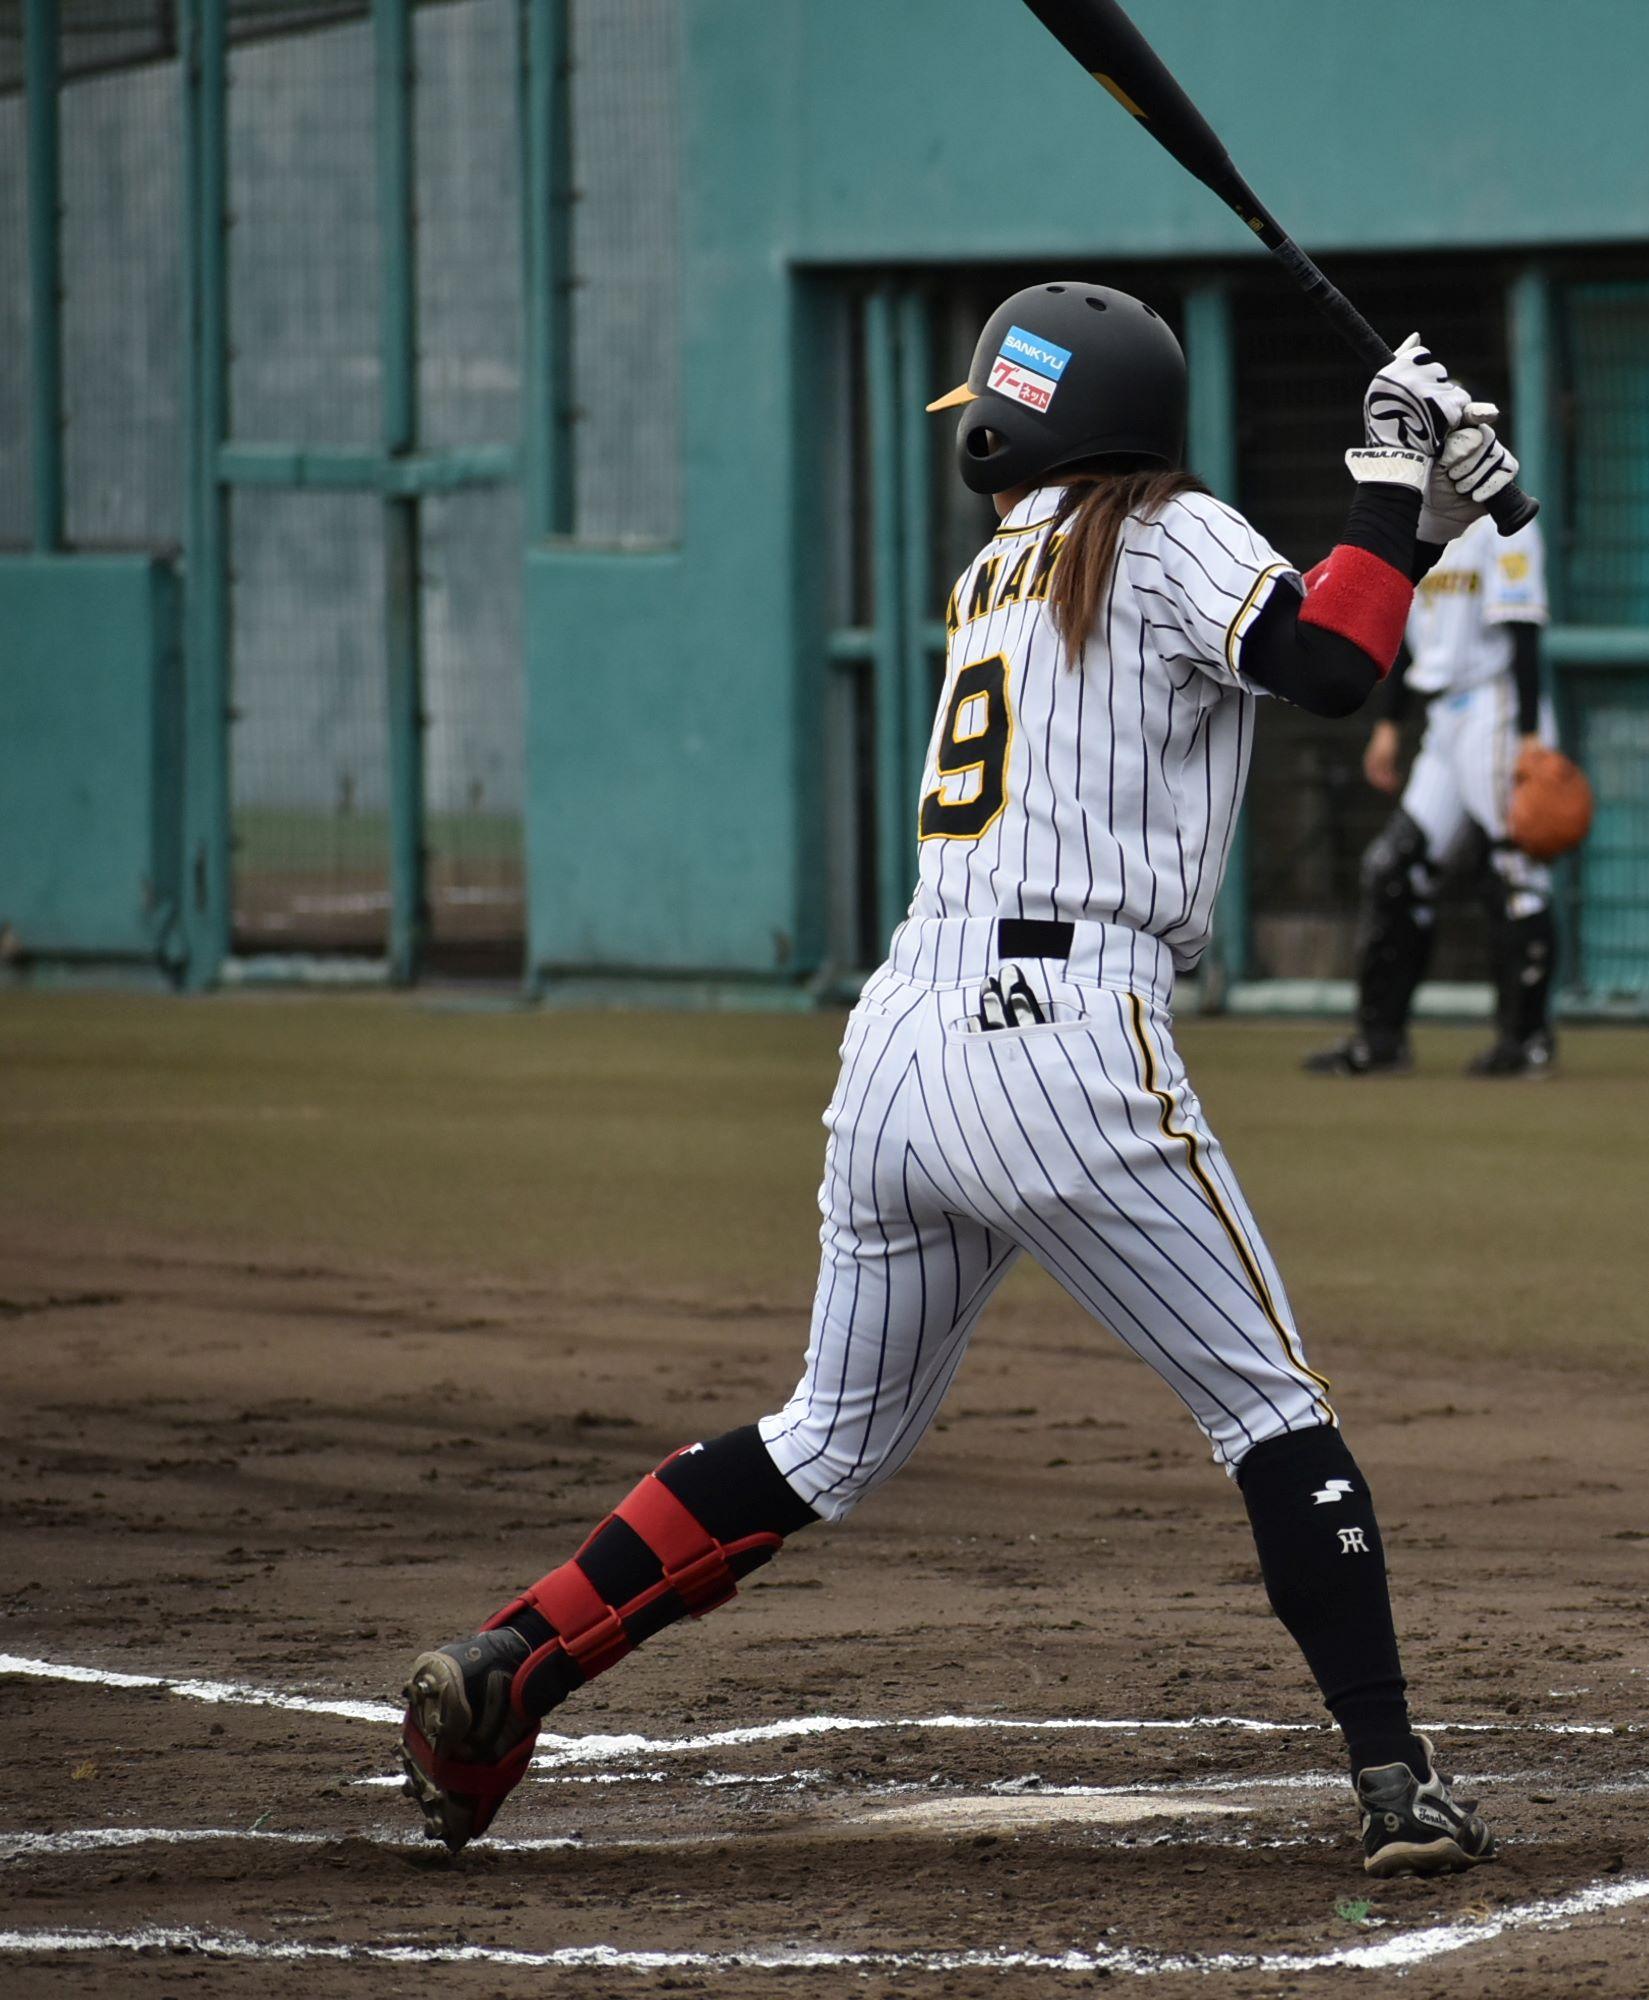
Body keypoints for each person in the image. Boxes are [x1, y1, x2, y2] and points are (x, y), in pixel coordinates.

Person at [397, 282, 1519, 1877]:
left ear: (1029, 417)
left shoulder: (1012, 565)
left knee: (819, 1444)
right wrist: (1396, 481)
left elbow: (1323, 632)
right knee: (1273, 1413)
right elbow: (1331, 666)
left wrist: (1407, 506)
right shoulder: (1159, 528)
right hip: (1063, 1040)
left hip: (904, 1048)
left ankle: (515, 1662)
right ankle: (1398, 1783)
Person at [1304, 510, 1560, 1079]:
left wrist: (1530, 741)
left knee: (1514, 872)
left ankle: (1527, 1041)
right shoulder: (1418, 524)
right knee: (1392, 868)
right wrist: (1391, 724)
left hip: (1496, 708)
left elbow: (1523, 630)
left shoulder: (1507, 522)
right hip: (1444, 719)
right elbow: (1405, 635)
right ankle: (1381, 1040)